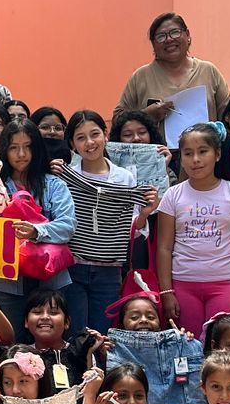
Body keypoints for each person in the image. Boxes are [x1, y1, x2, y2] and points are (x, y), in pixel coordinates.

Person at [57, 110, 156, 337]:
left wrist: (145, 213)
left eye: (95, 134)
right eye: (81, 137)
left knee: (105, 336)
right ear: (72, 144)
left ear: (105, 135)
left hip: (110, 269)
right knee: (76, 336)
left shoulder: (125, 178)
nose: (90, 143)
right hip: (73, 266)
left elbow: (134, 228)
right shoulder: (66, 177)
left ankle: (101, 374)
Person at [156, 123, 230, 329]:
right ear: (180, 158)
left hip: (224, 283)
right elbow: (164, 248)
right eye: (188, 153)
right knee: (189, 346)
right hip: (183, 283)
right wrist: (166, 292)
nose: (195, 160)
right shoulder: (172, 195)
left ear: (217, 154)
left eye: (203, 152)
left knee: (223, 350)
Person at [0, 122, 75, 329]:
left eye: (27, 146)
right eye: (14, 147)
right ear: (4, 150)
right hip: (4, 279)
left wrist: (37, 231)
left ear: (37, 149)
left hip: (50, 278)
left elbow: (68, 225)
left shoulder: (54, 184)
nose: (21, 154)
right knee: (11, 338)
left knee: (48, 338)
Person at [114, 12, 230, 127]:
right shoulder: (140, 76)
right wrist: (145, 116)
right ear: (153, 44)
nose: (169, 39)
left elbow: (229, 115)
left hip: (205, 146)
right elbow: (117, 120)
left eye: (175, 33)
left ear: (187, 34)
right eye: (161, 36)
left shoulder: (208, 71)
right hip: (157, 147)